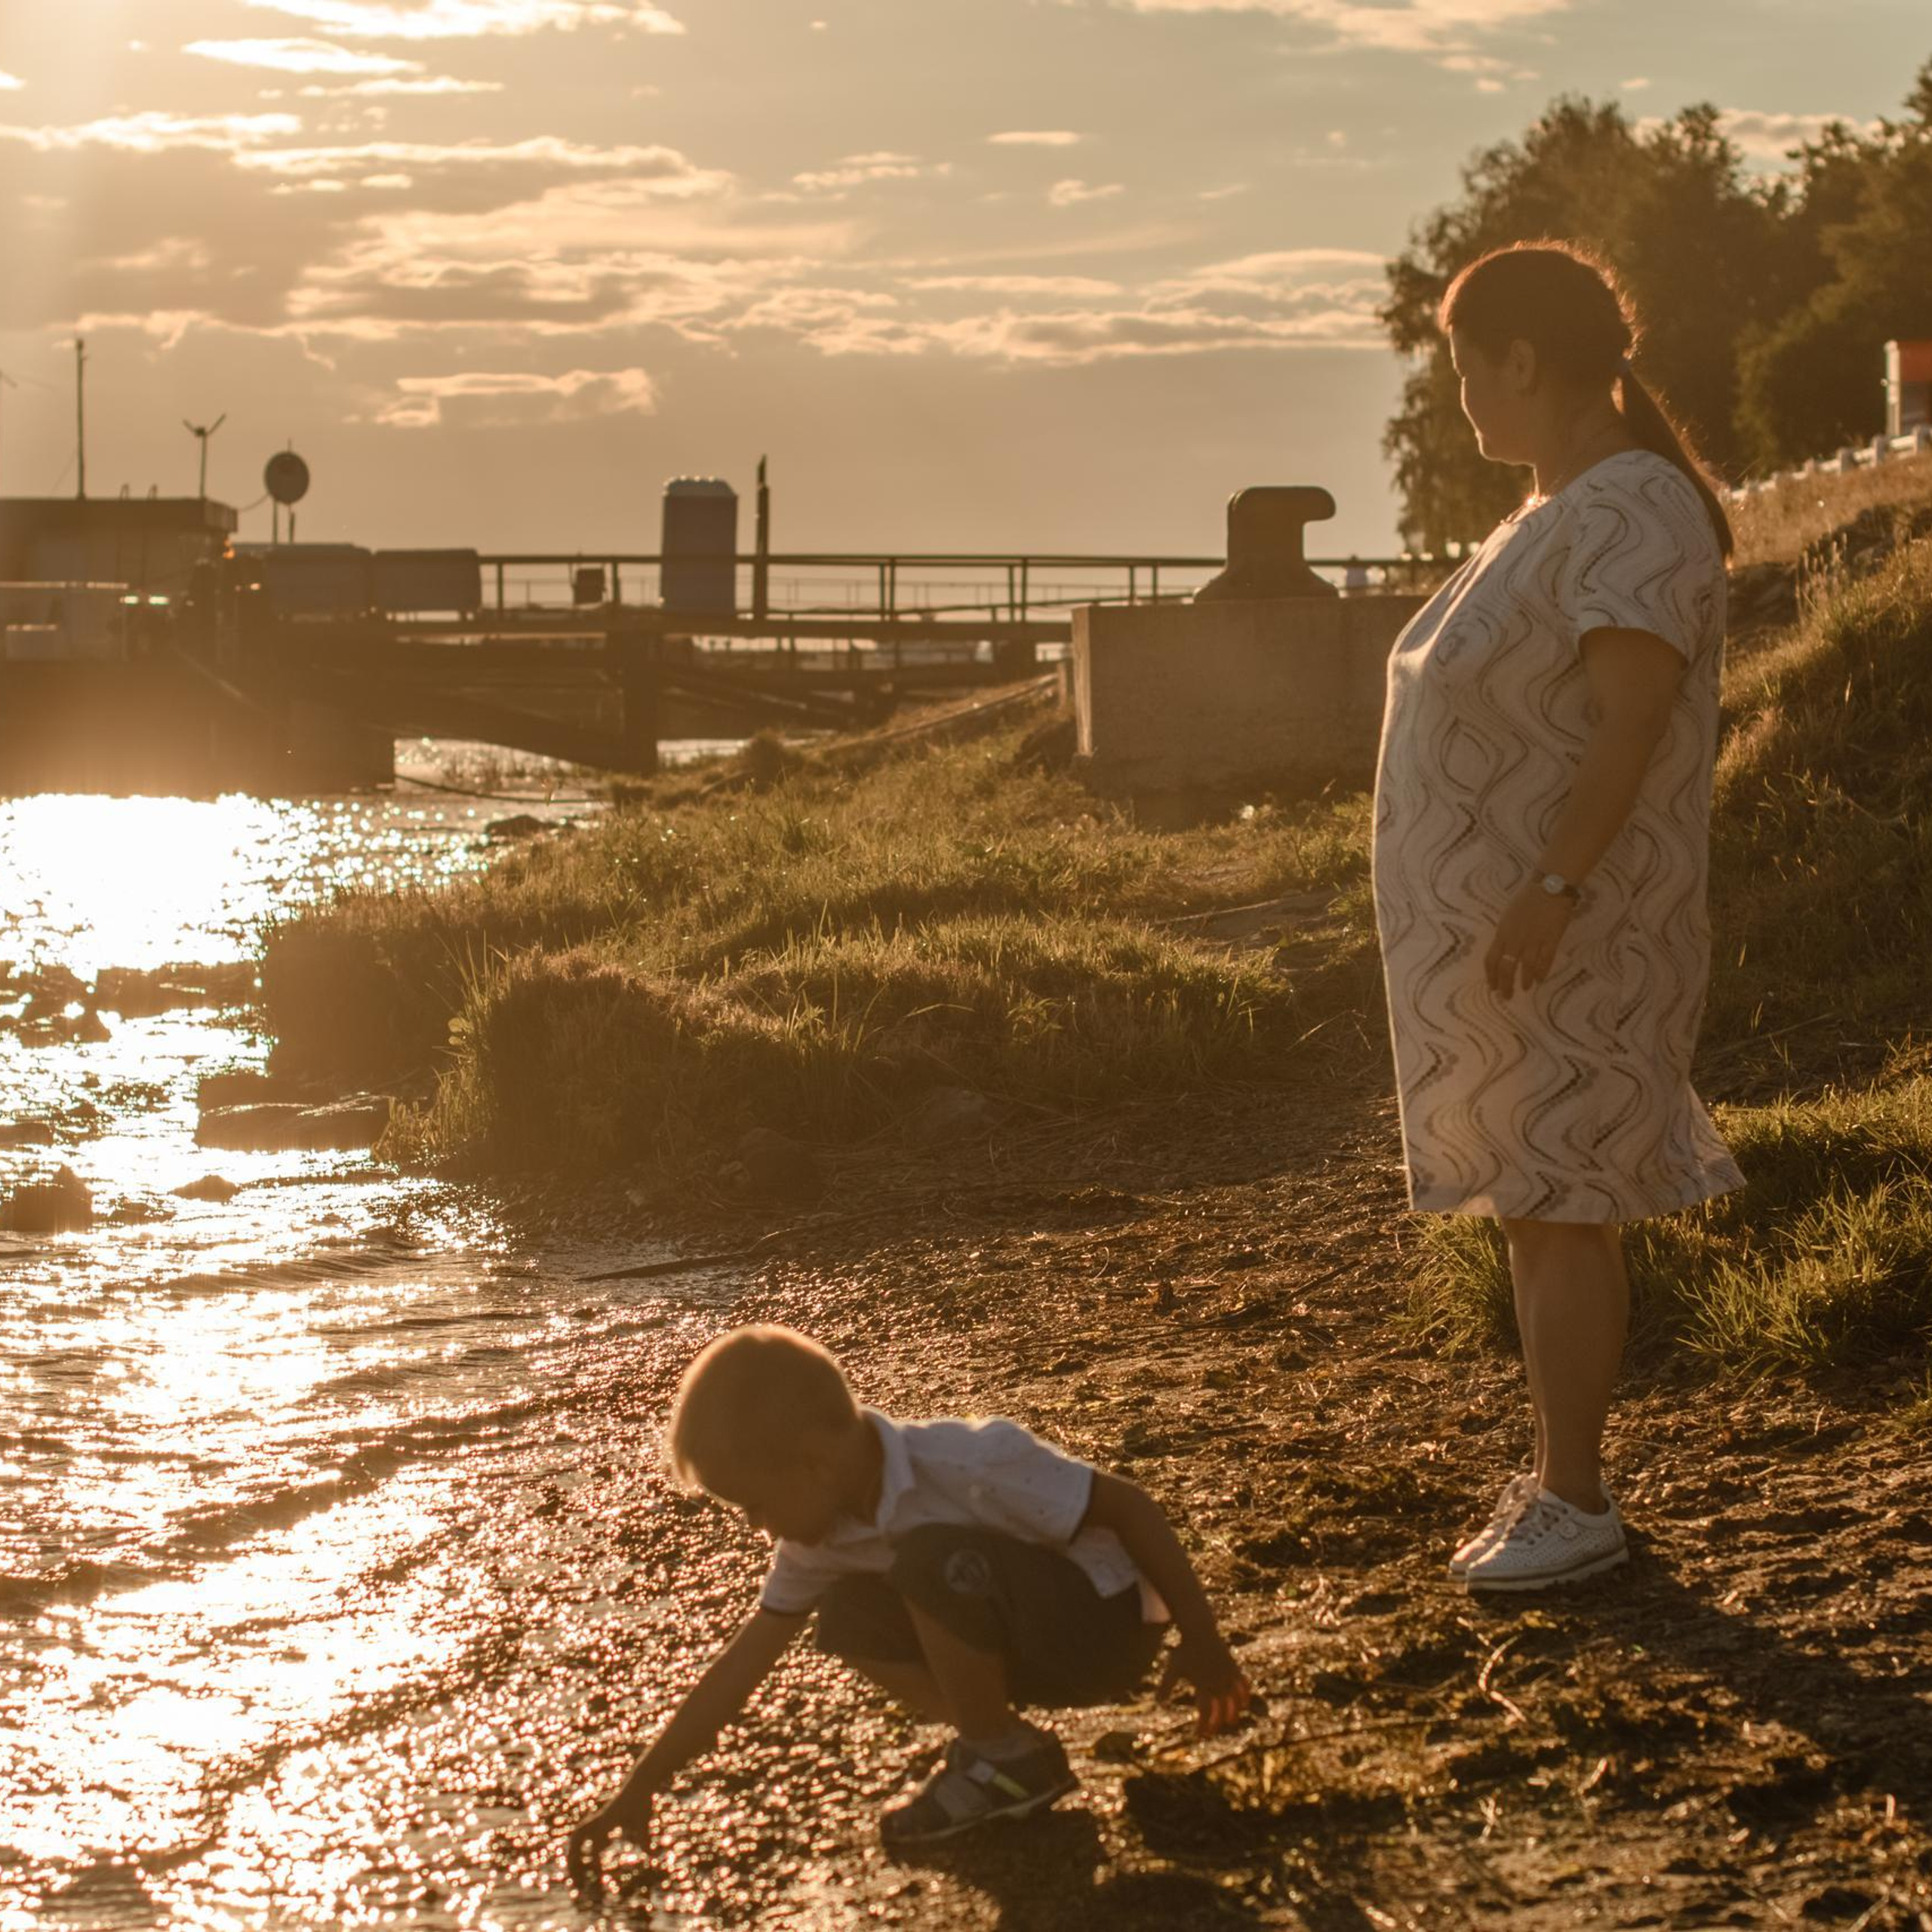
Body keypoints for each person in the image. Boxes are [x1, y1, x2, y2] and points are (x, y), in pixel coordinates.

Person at [1372, 242, 1743, 1593]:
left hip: (1574, 932)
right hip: (1523, 942)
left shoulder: (1632, 506)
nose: (1461, 394)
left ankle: (1576, 1500)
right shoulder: (1558, 506)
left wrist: (1551, 886)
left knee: (1560, 1202)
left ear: (1525, 360)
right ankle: (1557, 1475)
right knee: (1539, 1205)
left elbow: (1633, 715)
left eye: (1469, 367)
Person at [565, 1324, 1250, 1889]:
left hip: (1106, 1625)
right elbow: (743, 1665)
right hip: (1024, 1638)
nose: (759, 1529)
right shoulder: (821, 1540)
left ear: (815, 1463)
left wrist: (1206, 1642)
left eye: (756, 1505)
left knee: (924, 1560)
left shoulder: (961, 1464)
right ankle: (1013, 1755)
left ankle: (994, 1754)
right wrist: (642, 1783)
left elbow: (1130, 1506)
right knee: (848, 1612)